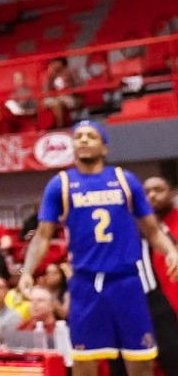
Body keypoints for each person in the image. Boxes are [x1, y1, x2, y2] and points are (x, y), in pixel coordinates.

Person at [18, 121, 178, 376]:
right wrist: (27, 271)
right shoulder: (60, 184)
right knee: (84, 364)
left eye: (91, 136)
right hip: (86, 285)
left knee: (142, 362)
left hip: (126, 282)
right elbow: (42, 236)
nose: (83, 140)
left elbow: (152, 230)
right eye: (78, 136)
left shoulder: (125, 180)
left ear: (103, 147)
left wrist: (171, 251)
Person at [142, 175, 178, 368]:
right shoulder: (140, 230)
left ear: (172, 193)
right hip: (154, 310)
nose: (152, 195)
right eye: (146, 192)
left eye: (158, 190)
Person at [17, 287, 72, 356]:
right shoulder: (22, 326)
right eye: (31, 301)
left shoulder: (61, 330)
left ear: (52, 306)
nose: (34, 304)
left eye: (40, 300)